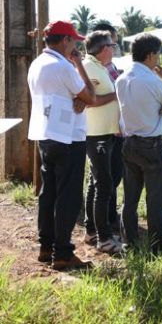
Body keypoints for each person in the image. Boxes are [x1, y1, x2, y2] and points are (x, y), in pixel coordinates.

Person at [27, 21, 96, 270]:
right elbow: (91, 96)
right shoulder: (64, 66)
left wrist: (78, 99)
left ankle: (46, 247)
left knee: (49, 192)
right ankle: (63, 253)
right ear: (65, 40)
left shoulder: (37, 64)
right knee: (68, 196)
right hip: (68, 138)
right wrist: (78, 66)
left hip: (45, 134)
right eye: (74, 41)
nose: (76, 45)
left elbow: (70, 97)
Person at [116, 33, 162, 253]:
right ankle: (158, 245)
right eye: (157, 54)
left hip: (129, 142)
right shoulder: (154, 80)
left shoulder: (121, 79)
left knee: (130, 198)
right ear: (151, 55)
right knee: (156, 199)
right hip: (152, 145)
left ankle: (128, 241)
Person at [82, 31, 123, 254]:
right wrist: (116, 95)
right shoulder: (90, 68)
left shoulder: (100, 67)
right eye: (111, 45)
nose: (114, 48)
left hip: (106, 132)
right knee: (103, 185)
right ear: (103, 48)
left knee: (96, 183)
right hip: (96, 133)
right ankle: (104, 238)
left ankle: (92, 231)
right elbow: (91, 101)